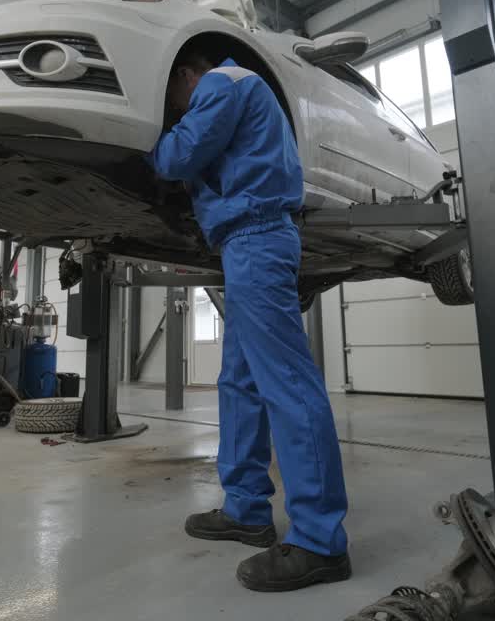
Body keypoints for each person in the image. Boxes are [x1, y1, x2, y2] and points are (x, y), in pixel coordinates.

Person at [148, 52, 350, 592]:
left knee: (287, 383)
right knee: (239, 382)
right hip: (243, 244)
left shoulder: (223, 82)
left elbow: (177, 155)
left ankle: (320, 541)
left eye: (172, 98)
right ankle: (246, 509)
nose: (173, 108)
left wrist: (152, 139)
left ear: (188, 74)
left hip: (256, 239)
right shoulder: (233, 86)